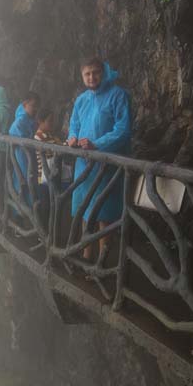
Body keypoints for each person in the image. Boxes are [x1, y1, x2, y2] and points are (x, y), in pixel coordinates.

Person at [68, 57, 131, 261]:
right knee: (86, 210)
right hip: (84, 165)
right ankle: (86, 256)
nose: (91, 77)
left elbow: (123, 130)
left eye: (95, 72)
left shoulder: (118, 95)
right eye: (87, 74)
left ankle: (102, 262)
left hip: (107, 165)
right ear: (82, 76)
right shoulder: (81, 99)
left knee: (105, 213)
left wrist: (97, 144)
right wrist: (72, 137)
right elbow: (74, 124)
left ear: (103, 72)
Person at [9, 92, 40, 199]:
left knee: (31, 179)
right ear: (24, 104)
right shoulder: (20, 121)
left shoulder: (30, 119)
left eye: (37, 106)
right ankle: (24, 205)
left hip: (30, 155)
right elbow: (13, 132)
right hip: (22, 155)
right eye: (33, 105)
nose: (35, 109)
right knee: (24, 179)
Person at [34, 108, 64, 185]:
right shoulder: (39, 136)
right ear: (40, 121)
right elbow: (53, 151)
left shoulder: (49, 134)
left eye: (53, 120)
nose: (52, 123)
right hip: (45, 175)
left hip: (51, 172)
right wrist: (66, 144)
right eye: (50, 120)